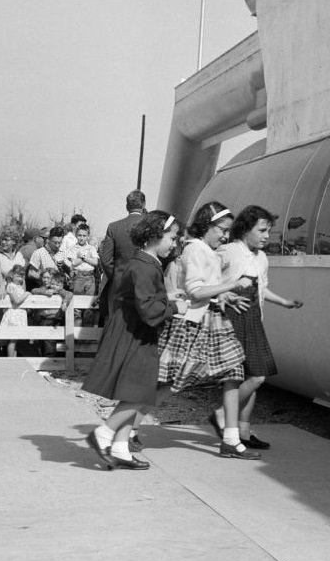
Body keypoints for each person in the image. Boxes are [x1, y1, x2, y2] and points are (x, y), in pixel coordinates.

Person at [83, 211, 185, 470]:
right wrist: (175, 308)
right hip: (135, 334)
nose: (174, 244)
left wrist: (169, 297)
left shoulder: (143, 262)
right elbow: (148, 309)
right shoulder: (145, 265)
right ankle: (103, 433)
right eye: (172, 238)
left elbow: (143, 297)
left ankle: (120, 448)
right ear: (155, 235)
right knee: (140, 392)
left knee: (134, 390)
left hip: (134, 332)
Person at [157, 202, 258, 458]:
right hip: (195, 323)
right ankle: (128, 424)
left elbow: (207, 290)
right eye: (222, 230)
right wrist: (232, 286)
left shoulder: (204, 250)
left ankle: (231, 439)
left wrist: (224, 297)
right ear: (207, 226)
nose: (226, 236)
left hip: (213, 320)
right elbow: (195, 290)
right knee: (175, 380)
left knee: (233, 373)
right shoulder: (196, 250)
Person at [216, 205, 304, 450]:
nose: (267, 236)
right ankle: (222, 415)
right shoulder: (229, 251)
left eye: (268, 231)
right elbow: (207, 278)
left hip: (254, 319)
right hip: (233, 320)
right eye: (262, 230)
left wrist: (284, 302)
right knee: (255, 376)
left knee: (251, 375)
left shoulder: (262, 257)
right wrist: (222, 296)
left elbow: (261, 288)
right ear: (246, 229)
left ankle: (243, 431)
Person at [97, 190, 147, 328]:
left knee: (117, 326)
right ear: (143, 204)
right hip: (145, 283)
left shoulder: (114, 227)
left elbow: (105, 258)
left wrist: (116, 276)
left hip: (119, 284)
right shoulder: (150, 226)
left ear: (127, 206)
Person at [61, 223, 99, 295]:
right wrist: (86, 257)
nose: (82, 238)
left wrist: (82, 257)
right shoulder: (73, 248)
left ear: (88, 236)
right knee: (77, 299)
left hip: (90, 277)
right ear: (76, 235)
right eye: (79, 235)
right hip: (78, 277)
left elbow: (95, 262)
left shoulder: (91, 248)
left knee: (89, 300)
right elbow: (74, 263)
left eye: (84, 236)